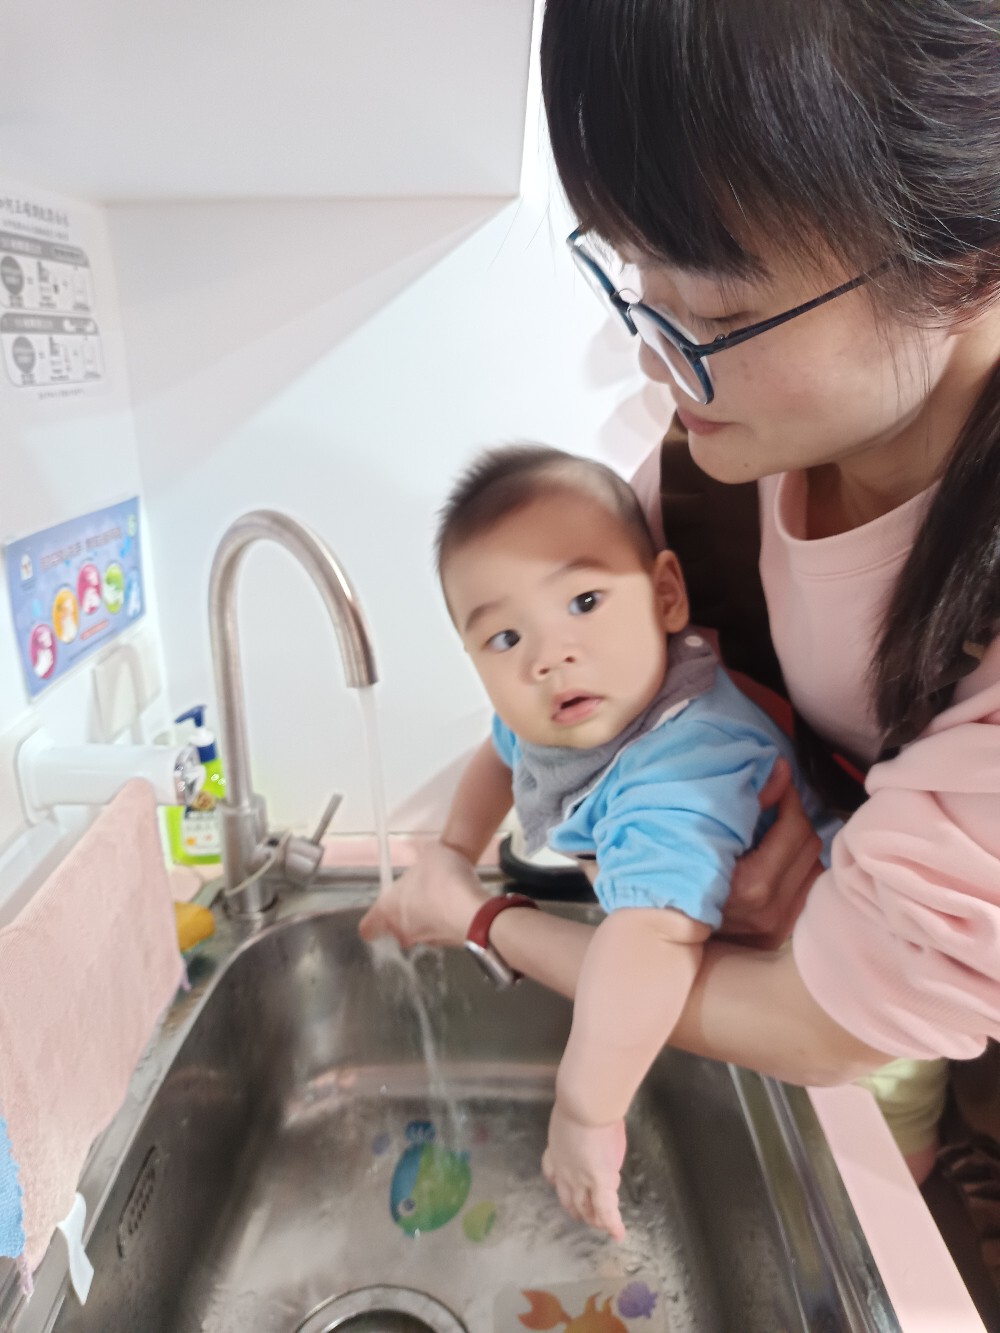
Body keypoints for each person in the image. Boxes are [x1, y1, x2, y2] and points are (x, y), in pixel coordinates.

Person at [362, 0, 1000, 1238]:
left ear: (971, 256)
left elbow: (820, 1022)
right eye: (628, 271)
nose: (655, 359)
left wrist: (483, 917)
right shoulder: (716, 463)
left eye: (713, 310)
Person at [416, 441, 838, 1238]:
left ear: (666, 595)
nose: (549, 657)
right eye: (504, 639)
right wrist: (451, 851)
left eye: (583, 601)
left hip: (839, 980)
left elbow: (648, 943)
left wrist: (584, 1111)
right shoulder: (567, 713)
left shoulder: (679, 769)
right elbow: (501, 754)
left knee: (890, 1145)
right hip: (759, 971)